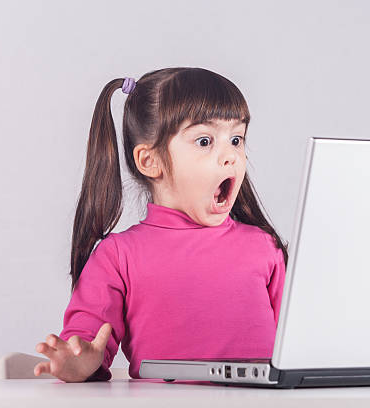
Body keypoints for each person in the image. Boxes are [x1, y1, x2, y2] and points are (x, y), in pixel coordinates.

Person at [33, 67, 288, 382]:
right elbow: (86, 344)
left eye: (236, 139)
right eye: (205, 140)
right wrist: (78, 364)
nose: (231, 156)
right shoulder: (118, 256)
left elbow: (301, 343)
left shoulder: (264, 246)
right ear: (149, 161)